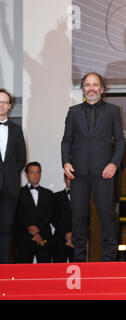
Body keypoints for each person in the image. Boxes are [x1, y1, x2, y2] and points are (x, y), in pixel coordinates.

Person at [61, 72, 125, 262]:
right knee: (78, 217)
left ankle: (108, 260)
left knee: (106, 216)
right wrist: (65, 162)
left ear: (102, 89)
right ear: (83, 89)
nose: (91, 88)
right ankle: (79, 259)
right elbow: (66, 141)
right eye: (87, 85)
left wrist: (114, 163)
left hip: (104, 172)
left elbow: (120, 141)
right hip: (78, 173)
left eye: (95, 85)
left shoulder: (113, 111)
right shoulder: (73, 112)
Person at [0, 89, 26, 263]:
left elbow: (21, 158)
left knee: (7, 228)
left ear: (9, 106)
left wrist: (8, 174)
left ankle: (5, 265)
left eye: (4, 102)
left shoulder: (16, 130)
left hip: (10, 187)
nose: (0, 105)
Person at [15, 162, 53, 263]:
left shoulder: (48, 193)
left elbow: (50, 214)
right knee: (23, 273)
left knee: (45, 273)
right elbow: (18, 214)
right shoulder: (18, 193)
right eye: (32, 172)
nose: (35, 175)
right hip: (24, 238)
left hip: (44, 236)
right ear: (26, 174)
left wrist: (38, 228)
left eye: (38, 172)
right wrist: (33, 230)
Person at [52, 174, 74, 262]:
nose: (71, 182)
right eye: (69, 179)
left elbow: (86, 218)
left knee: (79, 269)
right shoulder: (56, 197)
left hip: (77, 239)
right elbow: (53, 218)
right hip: (60, 239)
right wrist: (66, 233)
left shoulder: (83, 197)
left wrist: (74, 234)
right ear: (65, 180)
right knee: (58, 270)